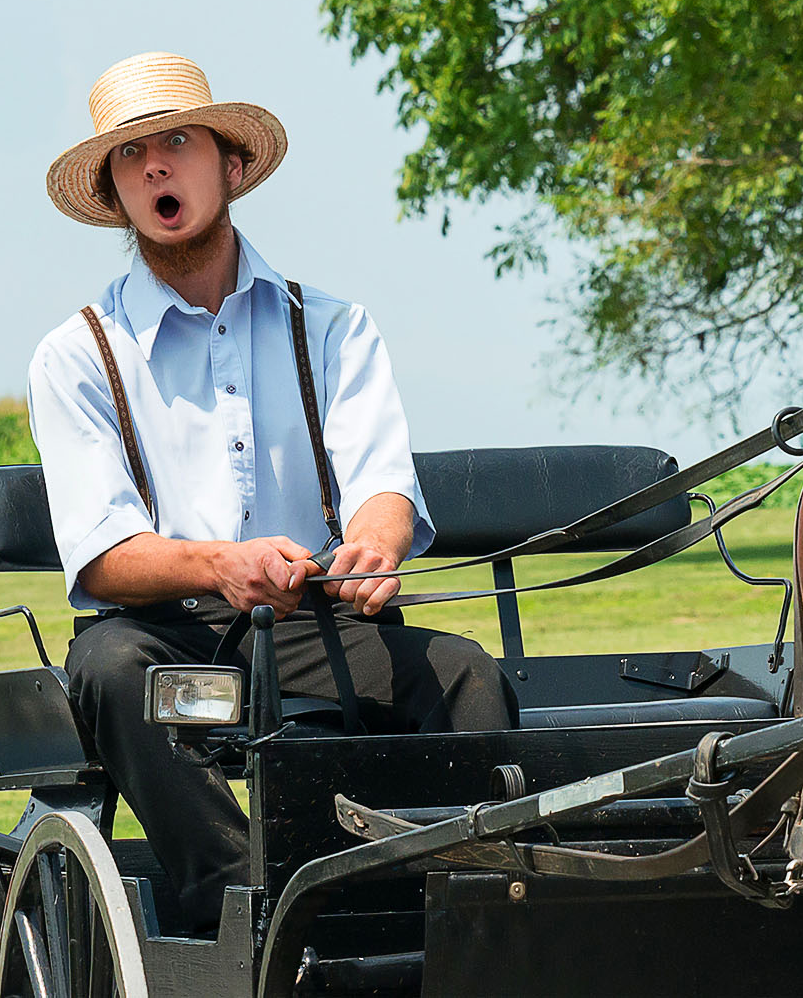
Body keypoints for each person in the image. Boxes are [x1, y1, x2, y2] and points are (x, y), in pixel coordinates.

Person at [27, 51, 517, 935]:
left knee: (466, 676)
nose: (156, 167)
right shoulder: (77, 355)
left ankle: (454, 921)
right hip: (169, 640)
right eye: (132, 157)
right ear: (117, 194)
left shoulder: (330, 326)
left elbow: (382, 485)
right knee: (106, 668)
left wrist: (376, 543)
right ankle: (245, 907)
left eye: (177, 141)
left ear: (233, 166)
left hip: (312, 624)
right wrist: (221, 564)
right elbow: (103, 557)